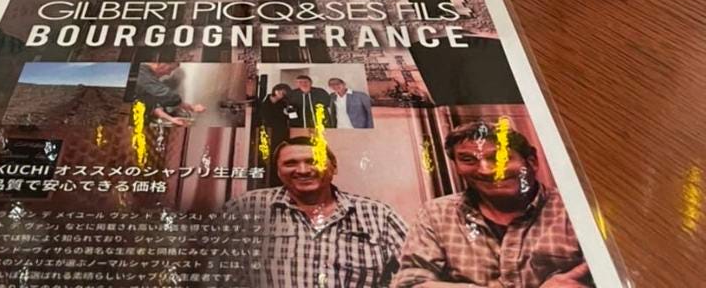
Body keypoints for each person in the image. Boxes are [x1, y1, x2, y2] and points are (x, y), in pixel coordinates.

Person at [394, 121, 593, 288]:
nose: (486, 170)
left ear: (531, 162)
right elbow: (411, 283)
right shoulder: (436, 213)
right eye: (468, 160)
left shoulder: (576, 209)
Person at [227, 138, 407, 288]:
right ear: (279, 172)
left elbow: (418, 270)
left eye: (314, 161)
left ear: (334, 167)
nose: (303, 170)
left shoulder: (378, 214)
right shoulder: (245, 207)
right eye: (290, 163)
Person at [133, 61, 206, 127]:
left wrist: (171, 119)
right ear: (159, 63)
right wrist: (192, 107)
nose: (168, 74)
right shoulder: (141, 72)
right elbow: (166, 95)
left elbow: (154, 107)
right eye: (170, 69)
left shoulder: (149, 79)